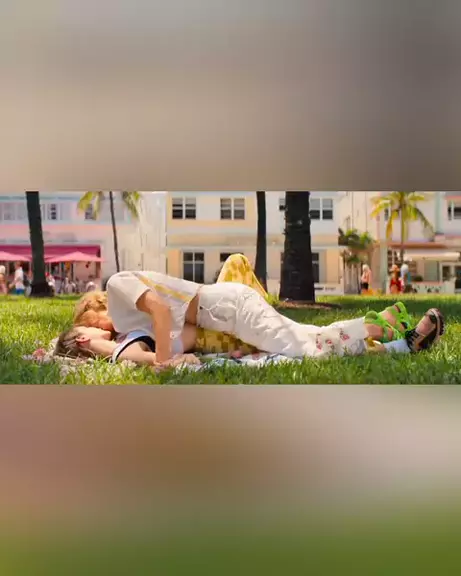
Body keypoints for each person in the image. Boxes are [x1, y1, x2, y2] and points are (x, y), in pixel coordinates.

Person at [102, 263, 444, 364]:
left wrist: (161, 363)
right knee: (308, 339)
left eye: (86, 321)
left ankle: (388, 335)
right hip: (226, 311)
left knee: (308, 348)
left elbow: (162, 311)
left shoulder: (116, 284)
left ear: (92, 308)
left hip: (228, 309)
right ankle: (393, 334)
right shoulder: (126, 315)